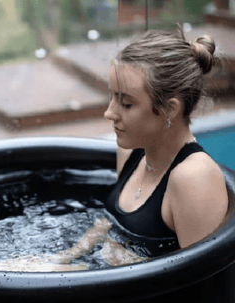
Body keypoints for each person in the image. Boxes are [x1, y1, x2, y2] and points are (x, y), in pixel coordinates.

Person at [54, 26, 228, 266]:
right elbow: (108, 222)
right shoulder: (132, 151)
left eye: (125, 103)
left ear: (169, 109)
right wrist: (64, 260)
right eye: (112, 96)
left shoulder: (193, 178)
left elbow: (201, 283)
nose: (109, 113)